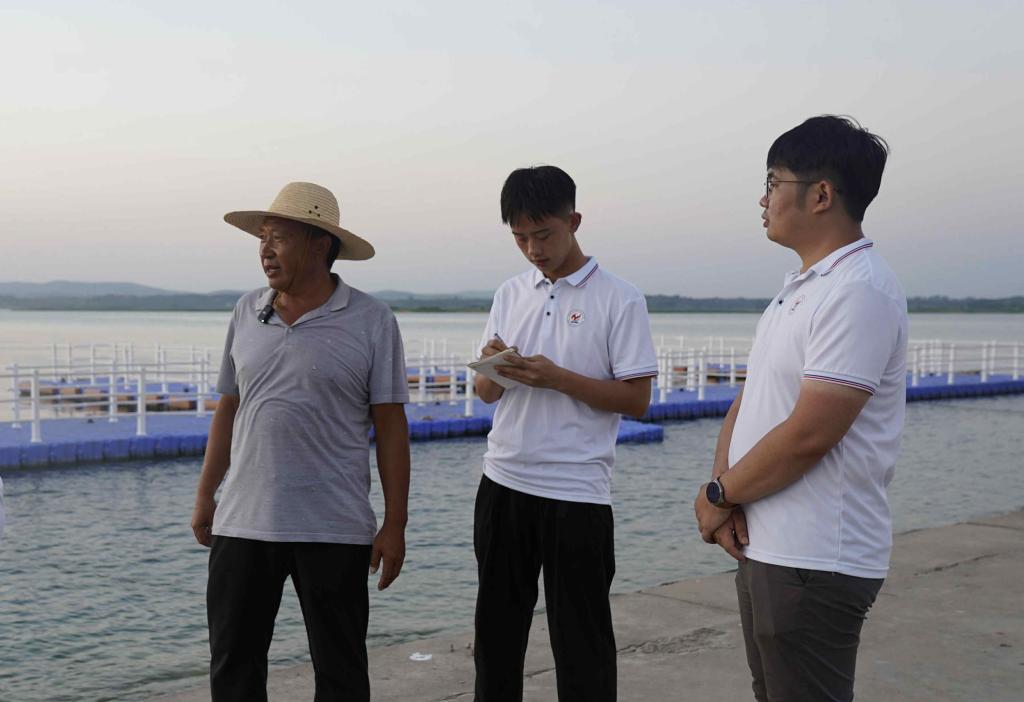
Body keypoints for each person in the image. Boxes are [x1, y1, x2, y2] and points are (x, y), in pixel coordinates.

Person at [693, 116, 906, 701]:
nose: (762, 199)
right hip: (769, 546)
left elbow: (812, 433)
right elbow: (751, 400)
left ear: (821, 195)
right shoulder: (802, 288)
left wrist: (720, 495)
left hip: (815, 557)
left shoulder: (857, 290)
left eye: (773, 182)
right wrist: (722, 489)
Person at [190, 181, 411, 702]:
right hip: (243, 523)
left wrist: (395, 523)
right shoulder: (247, 311)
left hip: (334, 527)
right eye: (262, 238)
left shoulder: (372, 320)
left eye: (279, 238)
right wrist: (205, 495)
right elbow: (229, 407)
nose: (265, 250)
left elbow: (391, 425)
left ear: (319, 245)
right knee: (234, 669)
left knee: (341, 673)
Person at [473, 165, 658, 701]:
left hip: (577, 491)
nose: (533, 249)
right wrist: (494, 367)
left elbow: (637, 400)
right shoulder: (510, 293)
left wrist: (556, 378)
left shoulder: (620, 298)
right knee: (496, 638)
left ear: (574, 222)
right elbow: (486, 395)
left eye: (543, 234)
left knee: (583, 646)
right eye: (520, 237)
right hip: (503, 480)